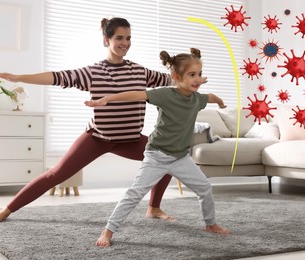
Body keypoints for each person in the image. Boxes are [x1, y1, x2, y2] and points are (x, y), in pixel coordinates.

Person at [0, 17, 175, 225]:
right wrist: (20, 77)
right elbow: (58, 77)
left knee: (169, 158)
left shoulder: (140, 72)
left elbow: (174, 79)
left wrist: (194, 77)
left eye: (128, 38)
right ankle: (6, 210)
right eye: (119, 38)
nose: (125, 43)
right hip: (97, 138)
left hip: (130, 139)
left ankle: (154, 208)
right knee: (55, 174)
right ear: (106, 39)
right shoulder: (93, 72)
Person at [85, 48, 230, 247]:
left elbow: (211, 96)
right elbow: (135, 94)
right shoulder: (165, 95)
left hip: (180, 158)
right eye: (192, 75)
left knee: (204, 187)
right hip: (157, 156)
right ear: (176, 77)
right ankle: (108, 231)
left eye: (199, 74)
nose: (197, 79)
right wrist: (107, 99)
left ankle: (210, 224)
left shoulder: (198, 99)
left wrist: (221, 103)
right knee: (135, 193)